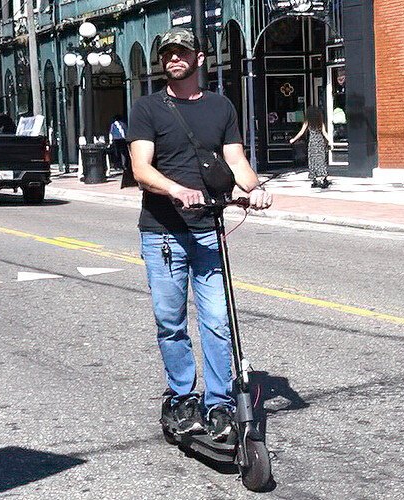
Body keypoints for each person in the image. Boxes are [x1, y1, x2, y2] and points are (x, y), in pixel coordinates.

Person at [128, 27, 273, 441]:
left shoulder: (220, 107)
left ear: (199, 58)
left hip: (209, 229)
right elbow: (141, 168)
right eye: (167, 53)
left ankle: (220, 404)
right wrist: (176, 190)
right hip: (163, 232)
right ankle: (180, 396)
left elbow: (237, 161)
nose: (174, 58)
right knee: (171, 322)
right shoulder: (147, 108)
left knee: (216, 320)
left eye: (182, 52)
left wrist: (255, 189)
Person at [288, 105, 332, 189]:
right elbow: (324, 132)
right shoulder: (320, 121)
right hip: (320, 142)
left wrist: (293, 139)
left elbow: (301, 132)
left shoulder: (308, 121)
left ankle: (314, 179)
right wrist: (330, 141)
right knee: (321, 160)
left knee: (313, 160)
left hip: (312, 143)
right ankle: (323, 178)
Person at [108, 113, 128, 177]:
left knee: (116, 153)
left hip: (116, 140)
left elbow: (111, 133)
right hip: (123, 139)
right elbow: (126, 131)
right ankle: (124, 165)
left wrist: (110, 142)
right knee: (123, 152)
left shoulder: (113, 125)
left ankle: (117, 165)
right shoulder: (123, 124)